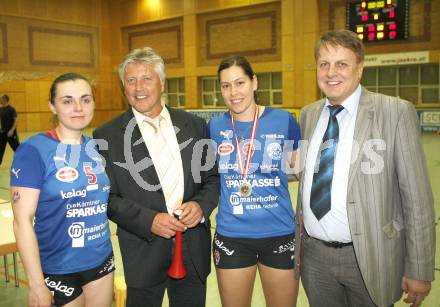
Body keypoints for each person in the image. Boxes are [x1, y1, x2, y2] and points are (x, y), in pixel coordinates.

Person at [294, 29, 435, 307]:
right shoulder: (308, 114)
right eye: (324, 64)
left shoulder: (394, 112)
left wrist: (419, 268)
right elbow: (303, 169)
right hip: (314, 257)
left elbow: (417, 200)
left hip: (370, 255)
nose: (331, 72)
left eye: (341, 64)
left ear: (359, 68)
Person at [93, 47, 219, 307]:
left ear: (162, 83)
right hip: (142, 251)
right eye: (131, 80)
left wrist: (201, 206)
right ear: (123, 87)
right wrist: (149, 220)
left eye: (146, 78)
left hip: (192, 248)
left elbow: (212, 178)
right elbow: (107, 198)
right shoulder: (106, 136)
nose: (138, 87)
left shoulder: (195, 126)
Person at [10, 73, 115, 307]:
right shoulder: (33, 150)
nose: (78, 107)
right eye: (67, 101)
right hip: (57, 267)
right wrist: (36, 285)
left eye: (86, 100)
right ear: (52, 106)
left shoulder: (96, 147)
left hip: (101, 261)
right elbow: (22, 221)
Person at [208, 55, 301, 307]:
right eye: (225, 85)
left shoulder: (285, 121)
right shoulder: (214, 127)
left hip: (279, 233)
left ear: (254, 82)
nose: (233, 92)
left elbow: (297, 170)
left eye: (240, 83)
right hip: (233, 236)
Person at [0, 94, 20, 165]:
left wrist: (12, 130)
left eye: (1, 98)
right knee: (0, 150)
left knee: (17, 149)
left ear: (5, 99)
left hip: (11, 133)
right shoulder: (1, 109)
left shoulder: (11, 109)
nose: (0, 100)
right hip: (2, 134)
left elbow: (16, 120)